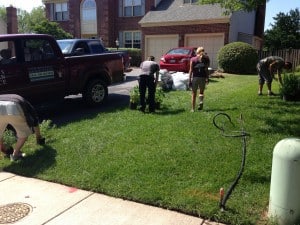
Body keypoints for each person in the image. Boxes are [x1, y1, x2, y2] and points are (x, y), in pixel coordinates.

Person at [0, 94, 45, 161]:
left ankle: (5, 150)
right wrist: (39, 137)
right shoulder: (28, 106)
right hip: (13, 108)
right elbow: (35, 121)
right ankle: (15, 155)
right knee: (23, 134)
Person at [189, 47, 210, 112]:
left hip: (195, 78)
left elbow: (191, 70)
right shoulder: (206, 59)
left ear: (197, 52)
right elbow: (206, 69)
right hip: (202, 78)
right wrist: (207, 78)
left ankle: (193, 109)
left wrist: (189, 80)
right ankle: (201, 101)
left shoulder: (193, 59)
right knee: (201, 92)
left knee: (194, 93)